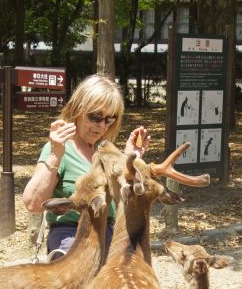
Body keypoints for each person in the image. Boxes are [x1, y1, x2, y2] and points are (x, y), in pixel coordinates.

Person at [23, 74, 150, 260]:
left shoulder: (104, 152)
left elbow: (127, 201)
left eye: (109, 119)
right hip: (72, 236)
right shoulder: (61, 148)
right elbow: (33, 204)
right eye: (95, 116)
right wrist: (54, 155)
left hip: (110, 234)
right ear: (77, 109)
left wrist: (131, 158)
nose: (101, 125)